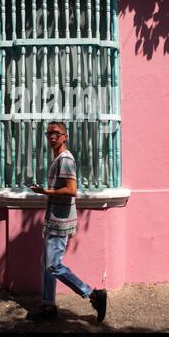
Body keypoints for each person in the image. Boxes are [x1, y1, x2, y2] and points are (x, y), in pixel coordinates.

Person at [26, 121, 107, 322]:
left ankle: (92, 293)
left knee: (53, 265)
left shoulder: (66, 159)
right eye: (49, 134)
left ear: (65, 136)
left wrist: (44, 191)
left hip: (60, 221)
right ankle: (48, 306)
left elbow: (71, 191)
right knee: (46, 263)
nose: (52, 137)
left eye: (56, 133)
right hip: (54, 219)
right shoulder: (57, 159)